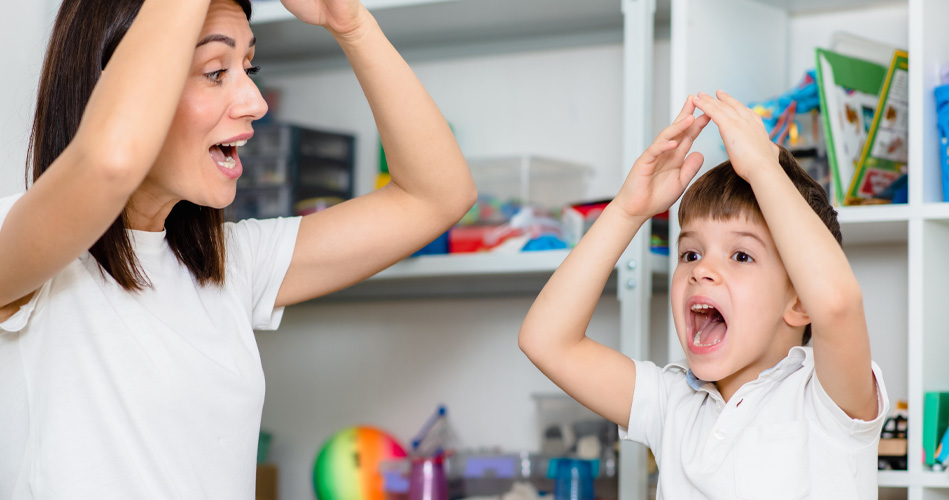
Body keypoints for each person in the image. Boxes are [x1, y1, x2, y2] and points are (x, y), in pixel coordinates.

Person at [0, 0, 476, 497]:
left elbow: (438, 195)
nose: (255, 101)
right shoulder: (20, 254)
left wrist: (352, 24)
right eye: (214, 72)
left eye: (249, 68)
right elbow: (110, 162)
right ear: (115, 84)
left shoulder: (231, 264)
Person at [519, 91, 887, 498]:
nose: (702, 270)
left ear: (800, 301)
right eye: (690, 253)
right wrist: (627, 210)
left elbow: (837, 304)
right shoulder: (673, 402)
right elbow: (546, 341)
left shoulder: (827, 402)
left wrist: (765, 169)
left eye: (742, 255)